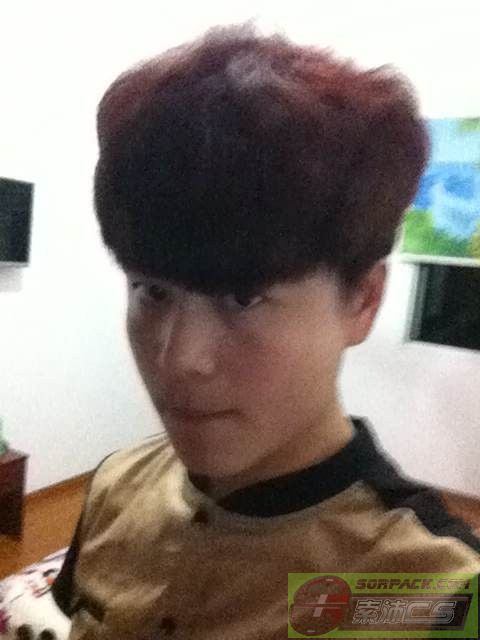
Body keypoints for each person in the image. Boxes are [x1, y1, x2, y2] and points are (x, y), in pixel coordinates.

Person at [51, 22, 480, 639]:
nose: (178, 358)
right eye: (152, 291)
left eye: (243, 296)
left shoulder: (436, 592)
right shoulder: (116, 486)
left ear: (363, 300)